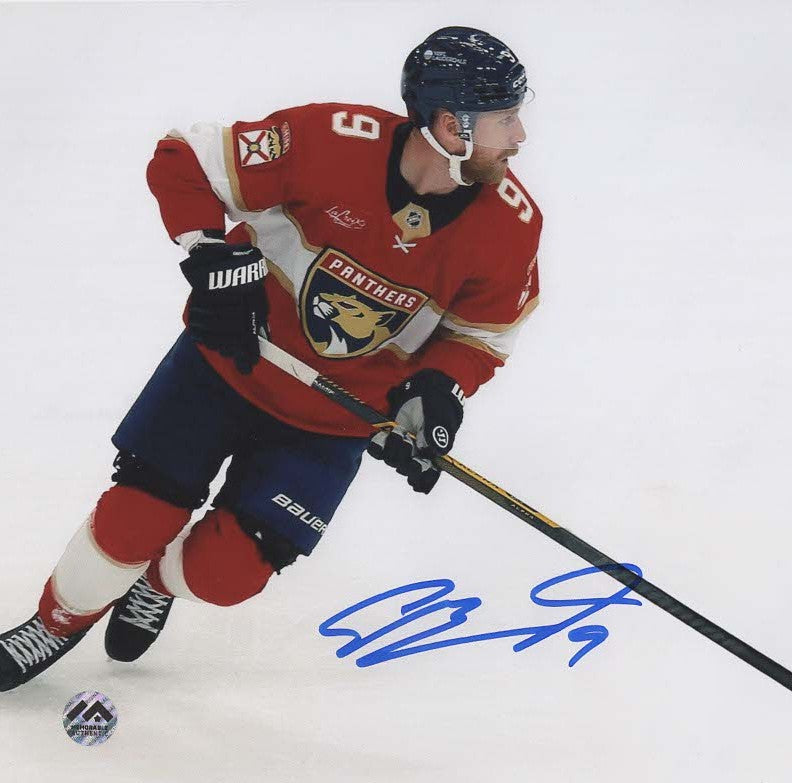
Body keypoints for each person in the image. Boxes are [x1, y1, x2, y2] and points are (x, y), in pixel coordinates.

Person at [0, 26, 541, 692]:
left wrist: (437, 390)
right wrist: (211, 254)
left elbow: (483, 335)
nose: (519, 136)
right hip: (228, 362)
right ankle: (55, 622)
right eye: (505, 118)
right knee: (131, 520)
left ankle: (155, 580)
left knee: (227, 574)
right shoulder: (330, 141)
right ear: (452, 124)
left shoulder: (512, 226)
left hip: (334, 420)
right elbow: (183, 158)